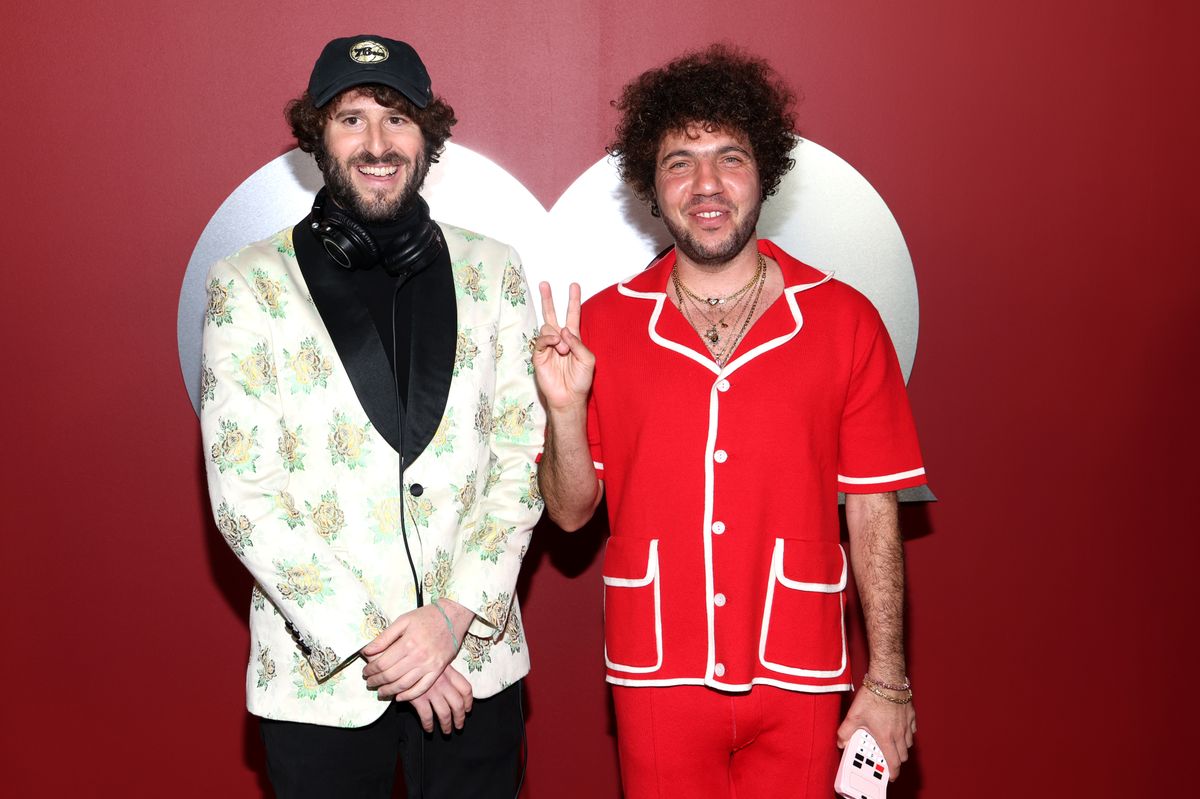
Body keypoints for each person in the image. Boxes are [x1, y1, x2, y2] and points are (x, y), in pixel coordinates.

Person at [535, 44, 926, 798]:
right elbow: (570, 509)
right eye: (679, 160)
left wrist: (889, 679)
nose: (706, 184)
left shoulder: (845, 320)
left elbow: (873, 511)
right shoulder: (606, 326)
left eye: (729, 156)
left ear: (764, 173)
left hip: (801, 671)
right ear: (652, 182)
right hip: (657, 672)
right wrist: (563, 411)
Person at [200, 34, 543, 799]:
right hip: (322, 684)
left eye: (397, 117)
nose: (378, 143)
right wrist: (391, 645)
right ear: (316, 137)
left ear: (430, 135)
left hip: (474, 665)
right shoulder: (246, 284)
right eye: (351, 118)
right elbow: (244, 497)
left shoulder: (496, 269)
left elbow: (524, 456)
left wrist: (451, 617)